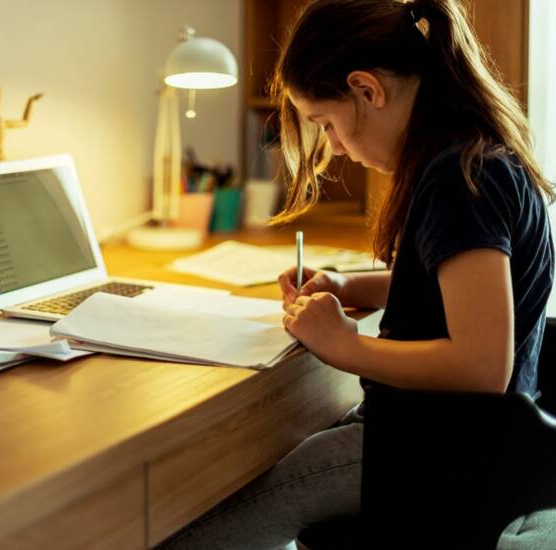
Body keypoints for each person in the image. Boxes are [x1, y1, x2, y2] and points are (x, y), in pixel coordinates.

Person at [163, 0, 554, 547]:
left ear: (367, 90)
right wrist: (349, 286)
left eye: (326, 123)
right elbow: (460, 290)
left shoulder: (460, 179)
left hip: (435, 447)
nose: (336, 148)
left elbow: (482, 366)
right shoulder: (477, 157)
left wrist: (342, 345)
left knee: (191, 529)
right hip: (463, 440)